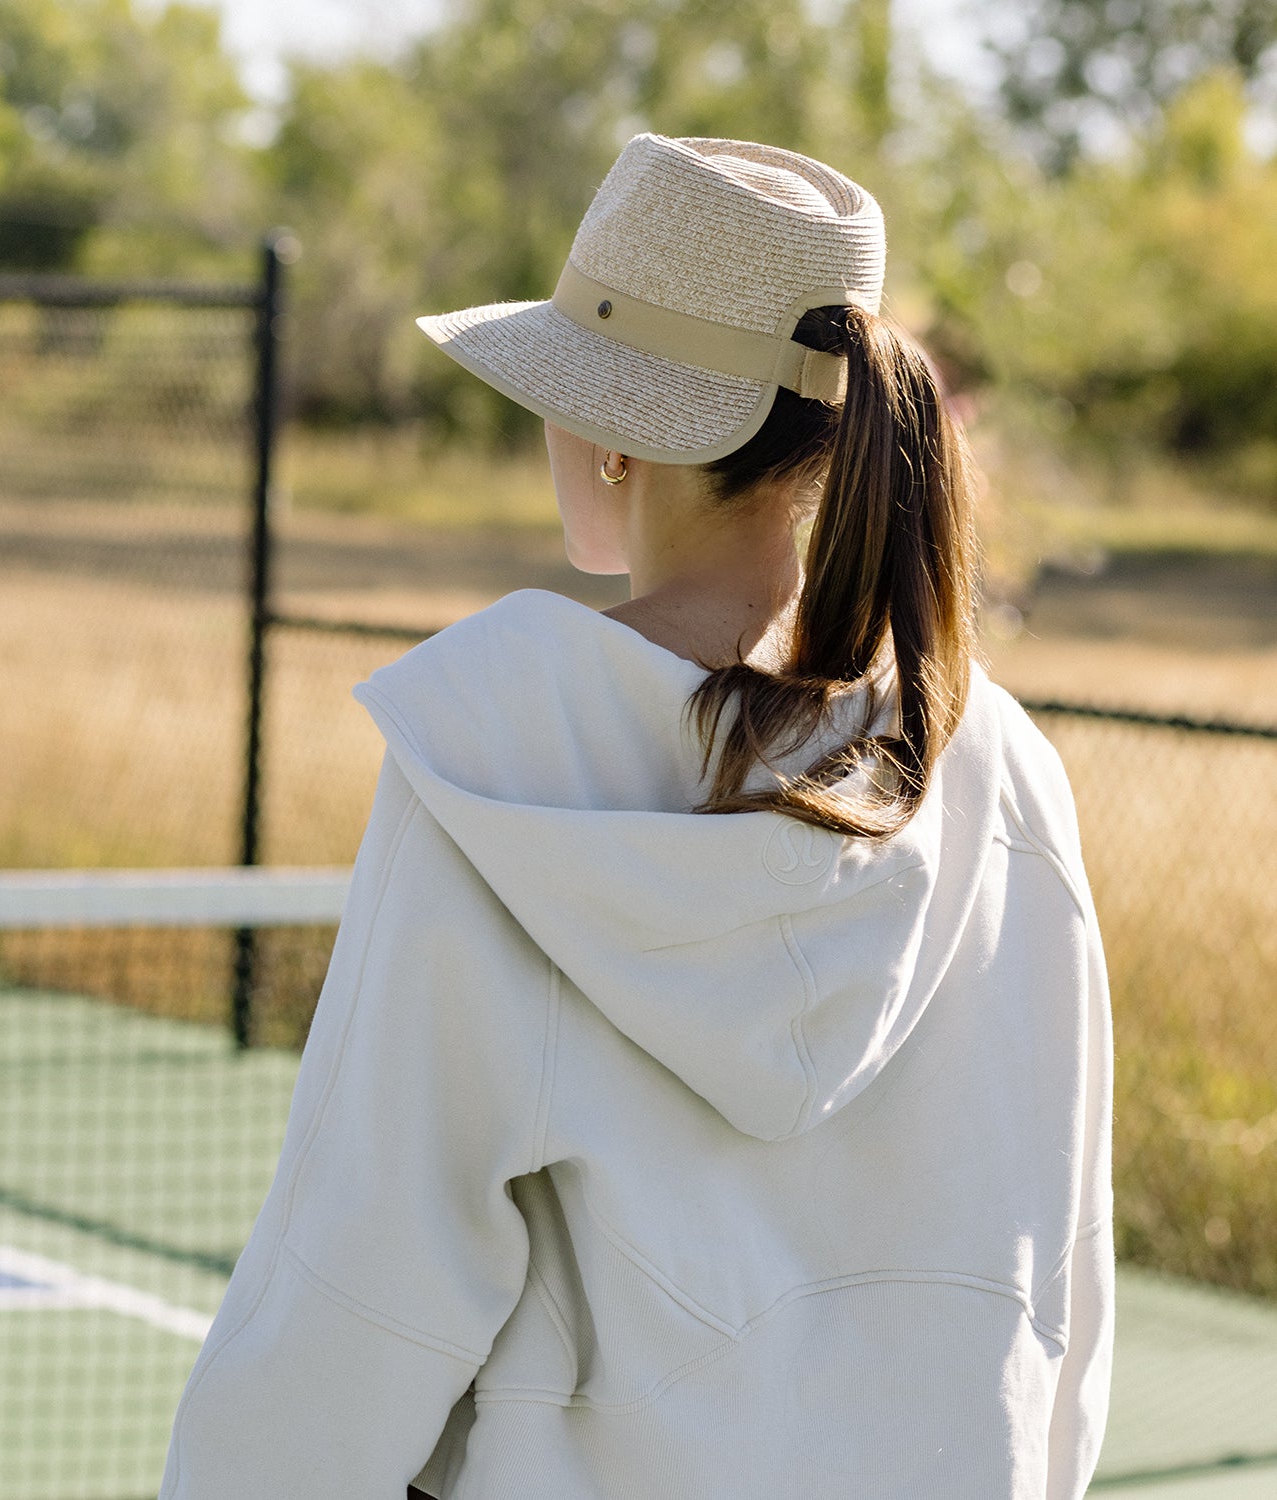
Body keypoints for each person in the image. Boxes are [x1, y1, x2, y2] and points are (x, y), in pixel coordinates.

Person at [157, 133, 1114, 1499]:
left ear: (614, 436)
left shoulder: (495, 759)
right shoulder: (999, 770)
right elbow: (1058, 1267)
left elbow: (357, 1292)